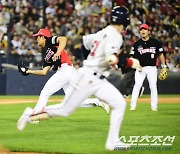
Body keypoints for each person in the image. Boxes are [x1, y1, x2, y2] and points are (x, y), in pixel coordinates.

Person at [17, 6, 142, 150]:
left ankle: (112, 141)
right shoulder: (116, 36)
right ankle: (30, 114)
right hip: (88, 75)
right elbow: (111, 59)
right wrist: (130, 62)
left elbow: (84, 43)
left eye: (37, 36)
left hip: (85, 74)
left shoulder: (103, 32)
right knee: (65, 109)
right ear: (125, 22)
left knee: (119, 103)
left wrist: (87, 60)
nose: (36, 39)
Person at [17, 28, 110, 116]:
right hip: (70, 72)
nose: (36, 39)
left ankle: (35, 115)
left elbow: (63, 39)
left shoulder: (49, 41)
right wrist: (29, 71)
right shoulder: (47, 54)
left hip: (65, 70)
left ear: (43, 37)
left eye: (38, 37)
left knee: (45, 93)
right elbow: (44, 71)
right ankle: (99, 102)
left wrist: (58, 52)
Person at [130, 24, 166, 111]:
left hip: (152, 68)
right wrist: (136, 65)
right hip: (140, 68)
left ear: (148, 31)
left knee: (153, 87)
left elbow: (161, 54)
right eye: (141, 29)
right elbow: (131, 57)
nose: (143, 31)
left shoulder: (155, 42)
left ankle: (154, 107)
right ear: (139, 32)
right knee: (137, 85)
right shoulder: (136, 44)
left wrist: (164, 66)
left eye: (145, 29)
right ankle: (133, 106)